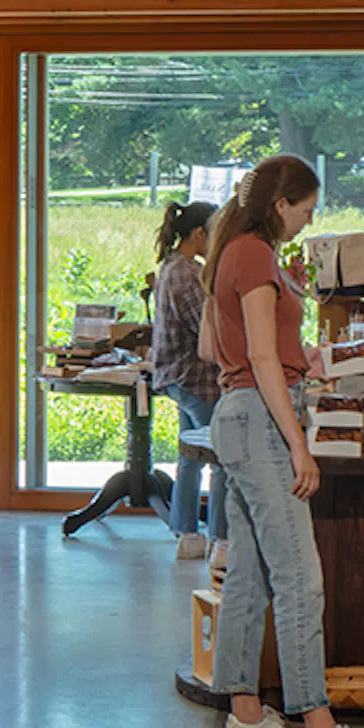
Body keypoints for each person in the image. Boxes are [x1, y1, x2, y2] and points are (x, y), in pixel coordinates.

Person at [203, 155, 364, 728]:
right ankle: (318, 725)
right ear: (281, 203)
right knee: (300, 578)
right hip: (261, 419)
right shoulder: (256, 255)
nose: (309, 219)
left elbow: (219, 347)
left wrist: (298, 354)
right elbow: (260, 356)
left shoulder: (226, 250)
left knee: (251, 576)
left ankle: (247, 716)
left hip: (235, 415)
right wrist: (298, 442)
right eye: (307, 208)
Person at [149, 200, 218, 548]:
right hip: (196, 377)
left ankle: (186, 530)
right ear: (199, 233)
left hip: (177, 375)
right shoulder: (187, 274)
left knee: (190, 454)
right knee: (220, 457)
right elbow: (207, 326)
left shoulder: (171, 266)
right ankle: (221, 536)